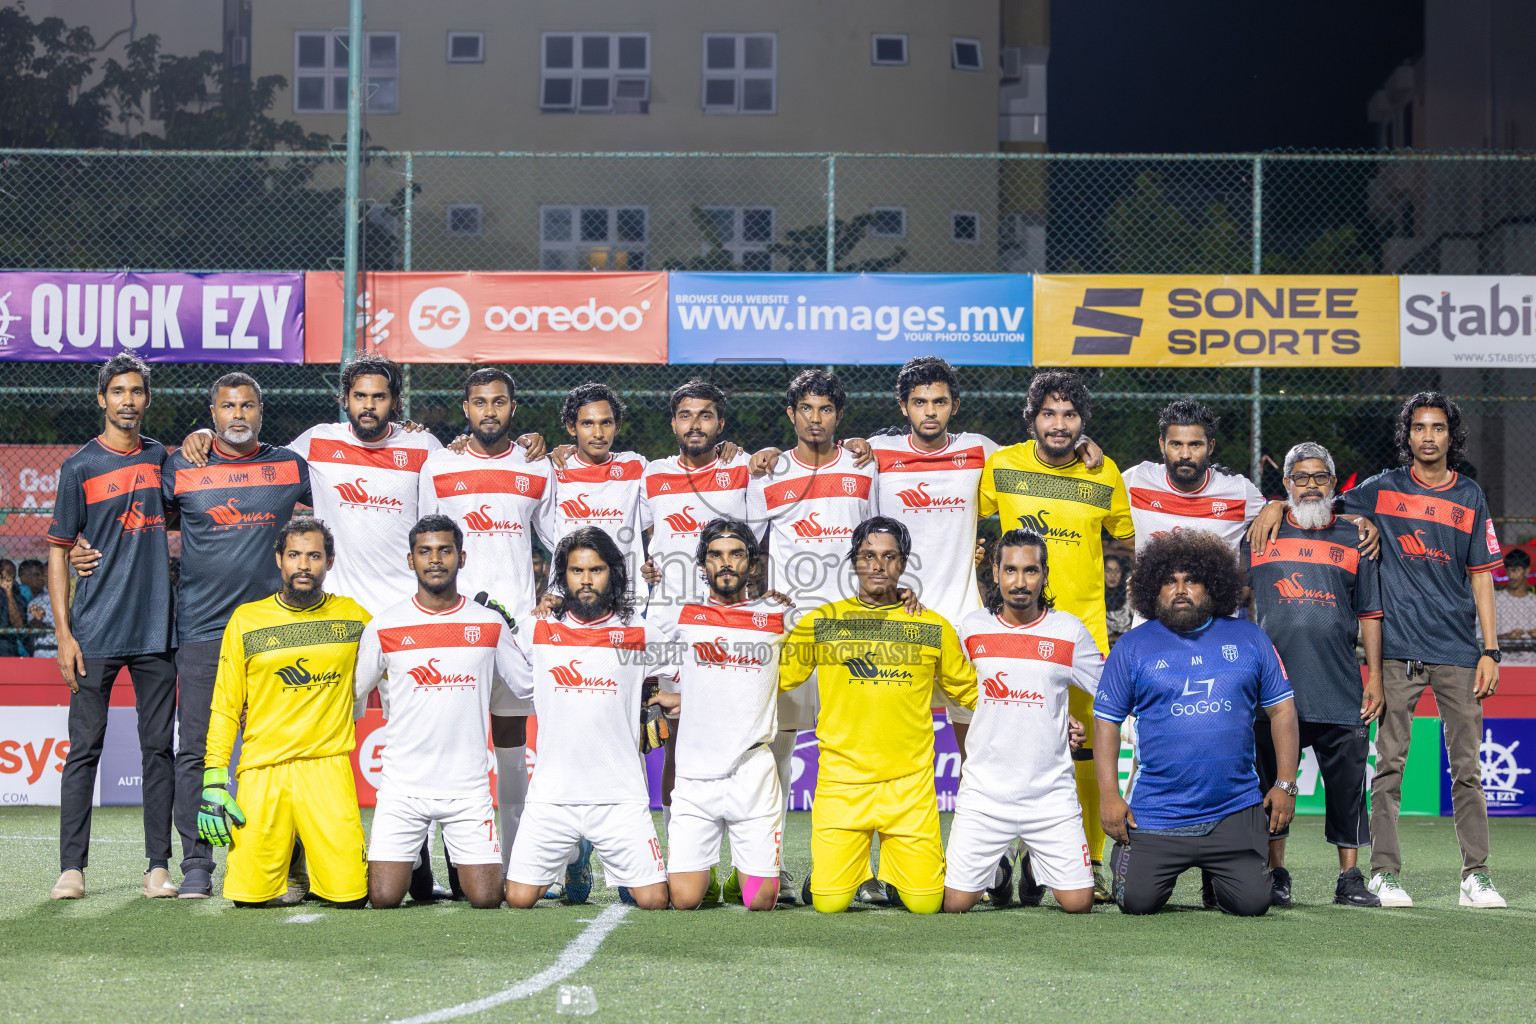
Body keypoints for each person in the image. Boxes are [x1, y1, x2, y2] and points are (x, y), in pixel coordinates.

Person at [1341, 393, 1504, 909]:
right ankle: (1384, 874)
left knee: (1468, 769)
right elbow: (1325, 508)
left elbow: (1481, 578)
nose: (1428, 437)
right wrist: (1357, 522)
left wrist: (1490, 650)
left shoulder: (1472, 495)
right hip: (1395, 652)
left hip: (1458, 650)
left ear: (1450, 436)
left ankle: (1474, 876)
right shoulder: (1380, 489)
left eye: (1437, 428)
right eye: (1418, 428)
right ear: (1407, 434)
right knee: (1389, 766)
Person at [978, 369, 1134, 899]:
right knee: (1009, 742)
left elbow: (1132, 537)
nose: (1059, 423)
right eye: (1049, 413)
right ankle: (1002, 858)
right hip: (1013, 629)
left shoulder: (1104, 471)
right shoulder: (1000, 467)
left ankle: (1084, 859)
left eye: (1070, 415)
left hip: (1083, 634)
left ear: (1082, 423)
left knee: (1088, 752)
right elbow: (961, 519)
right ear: (1032, 418)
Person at [1092, 531, 1299, 917]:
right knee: (1138, 903)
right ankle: (1132, 853)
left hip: (1233, 809)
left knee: (1253, 904)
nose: (1180, 590)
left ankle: (1218, 871)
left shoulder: (1249, 637)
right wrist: (1109, 795)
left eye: (1192, 580)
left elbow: (1283, 710)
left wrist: (1285, 782)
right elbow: (1106, 723)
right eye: (1170, 580)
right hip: (1158, 813)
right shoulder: (1133, 646)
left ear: (1214, 584)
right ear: (1154, 588)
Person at [778, 516, 978, 914]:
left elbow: (973, 693)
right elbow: (771, 678)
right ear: (854, 561)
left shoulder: (933, 626)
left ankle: (899, 876)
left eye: (889, 557)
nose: (877, 565)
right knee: (828, 903)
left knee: (926, 905)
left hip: (910, 787)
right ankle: (830, 876)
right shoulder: (821, 622)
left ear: (903, 564)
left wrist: (1049, 715)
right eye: (867, 556)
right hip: (842, 784)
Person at [45, 354, 178, 901]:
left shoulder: (163, 460)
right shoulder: (78, 467)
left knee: (157, 751)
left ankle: (158, 867)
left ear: (147, 399)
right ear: (102, 399)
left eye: (136, 391)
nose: (127, 400)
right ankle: (71, 870)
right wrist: (64, 634)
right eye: (117, 391)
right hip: (94, 631)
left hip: (156, 629)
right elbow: (57, 552)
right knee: (84, 750)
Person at [746, 369, 879, 902]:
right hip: (789, 634)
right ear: (791, 414)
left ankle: (855, 871)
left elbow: (883, 545)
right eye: (807, 409)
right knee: (775, 750)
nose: (816, 418)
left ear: (839, 416)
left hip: (853, 631)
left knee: (855, 755)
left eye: (826, 409)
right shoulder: (767, 473)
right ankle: (768, 868)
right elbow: (747, 548)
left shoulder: (865, 466)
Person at [416, 369, 554, 876]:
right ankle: (427, 861)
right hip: (454, 627)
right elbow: (424, 541)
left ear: (513, 408)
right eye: (479, 402)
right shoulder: (439, 465)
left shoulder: (537, 464)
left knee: (512, 751)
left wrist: (552, 595)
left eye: (499, 402)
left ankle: (518, 865)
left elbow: (559, 541)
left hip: (517, 631)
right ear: (466, 407)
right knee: (446, 744)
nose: (489, 412)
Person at [196, 517, 371, 907]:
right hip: (262, 769)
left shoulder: (355, 617)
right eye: (294, 555)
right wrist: (212, 780)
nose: (304, 565)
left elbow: (399, 655)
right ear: (279, 560)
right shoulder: (246, 619)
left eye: (314, 556)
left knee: (351, 898)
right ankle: (293, 862)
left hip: (326, 766)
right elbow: (225, 705)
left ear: (330, 561)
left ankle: (311, 861)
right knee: (250, 900)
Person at [354, 515, 526, 910]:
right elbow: (352, 692)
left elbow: (526, 684)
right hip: (402, 787)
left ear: (461, 558)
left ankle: (421, 857)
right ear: (410, 560)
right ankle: (416, 859)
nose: (435, 559)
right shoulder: (384, 625)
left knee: (485, 899)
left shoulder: (489, 622)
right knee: (382, 898)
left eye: (445, 550)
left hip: (467, 789)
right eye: (425, 551)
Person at [1240, 442, 1384, 908]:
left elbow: (1370, 613)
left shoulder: (1354, 536)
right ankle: (1276, 872)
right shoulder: (1261, 533)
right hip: (1274, 690)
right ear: (1286, 484)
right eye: (1300, 477)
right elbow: (1231, 601)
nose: (1310, 485)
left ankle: (1350, 877)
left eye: (1320, 477)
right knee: (1272, 786)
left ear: (1332, 483)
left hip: (1340, 684)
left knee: (1347, 787)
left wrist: (1375, 676)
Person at [501, 527, 673, 911]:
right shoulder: (538, 628)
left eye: (596, 570)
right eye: (576, 571)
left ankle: (606, 859)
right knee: (518, 899)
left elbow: (691, 669)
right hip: (553, 795)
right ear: (563, 576)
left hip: (619, 794)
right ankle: (578, 858)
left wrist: (662, 698)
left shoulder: (638, 632)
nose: (586, 580)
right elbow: (520, 684)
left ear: (612, 573)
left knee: (655, 901)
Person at [944, 530, 1099, 914]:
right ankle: (998, 870)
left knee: (1079, 904)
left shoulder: (1069, 631)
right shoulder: (971, 629)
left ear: (1045, 575)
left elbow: (1111, 689)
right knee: (954, 905)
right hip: (984, 793)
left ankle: (1033, 865)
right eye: (1010, 570)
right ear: (995, 573)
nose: (1019, 582)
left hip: (1050, 794)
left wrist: (1067, 720)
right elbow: (948, 688)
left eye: (1030, 571)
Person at [639, 379, 750, 858]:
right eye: (686, 415)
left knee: (733, 737)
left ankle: (738, 856)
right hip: (667, 625)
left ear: (720, 424)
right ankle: (680, 852)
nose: (695, 424)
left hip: (726, 624)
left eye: (705, 416)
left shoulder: (743, 470)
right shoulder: (650, 475)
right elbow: (626, 536)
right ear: (673, 423)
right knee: (676, 742)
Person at [655, 517, 789, 911]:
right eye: (715, 555)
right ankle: (704, 874)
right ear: (703, 564)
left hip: (752, 769)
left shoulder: (778, 616)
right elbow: (634, 652)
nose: (726, 563)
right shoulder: (680, 616)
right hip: (696, 774)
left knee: (758, 900)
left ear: (752, 564)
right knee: (684, 900)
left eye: (736, 554)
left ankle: (739, 879)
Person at [543, 383, 650, 600]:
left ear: (617, 425)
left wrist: (719, 450)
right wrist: (524, 442)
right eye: (587, 424)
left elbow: (682, 470)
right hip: (567, 597)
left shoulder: (636, 466)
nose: (598, 433)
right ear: (571, 427)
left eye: (606, 423)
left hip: (624, 598)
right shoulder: (552, 470)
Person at [1494, 549, 1536, 665]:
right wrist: (1507, 636)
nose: (1511, 575)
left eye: (1515, 570)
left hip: (1531, 661)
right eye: (1508, 571)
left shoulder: (1533, 602)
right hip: (1502, 660)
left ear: (1526, 571)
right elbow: (1481, 636)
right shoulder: (1496, 600)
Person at [1104, 553, 1133, 643]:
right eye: (1108, 571)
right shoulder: (1095, 596)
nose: (1112, 575)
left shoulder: (1129, 595)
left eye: (1117, 571)